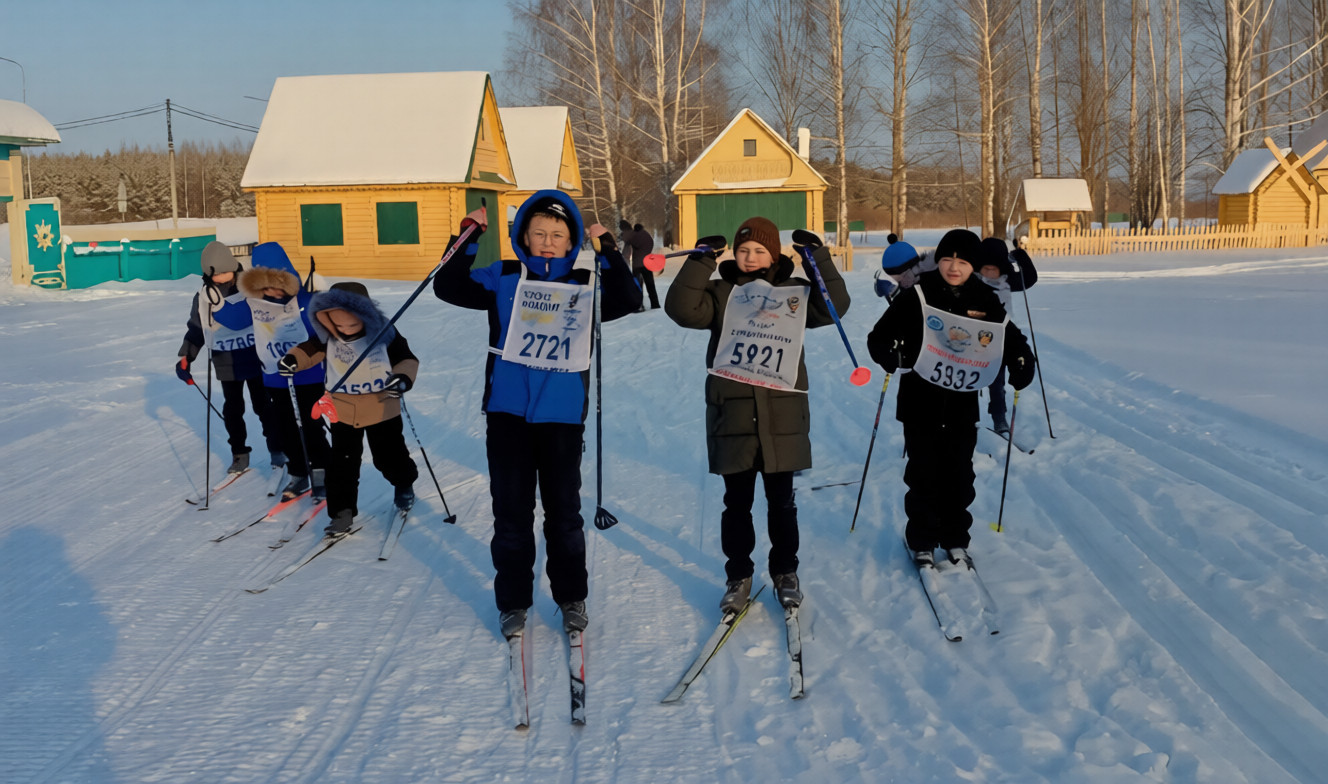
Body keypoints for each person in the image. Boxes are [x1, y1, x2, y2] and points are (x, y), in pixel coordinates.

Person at [433, 189, 641, 638]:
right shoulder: (503, 276)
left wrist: (607, 248)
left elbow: (627, 299)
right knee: (510, 513)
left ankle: (571, 598)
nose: (548, 242)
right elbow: (448, 286)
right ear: (523, 236)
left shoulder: (586, 285)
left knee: (564, 514)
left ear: (571, 243)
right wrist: (467, 235)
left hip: (562, 417)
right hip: (507, 413)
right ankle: (513, 601)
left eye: (559, 235)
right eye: (539, 233)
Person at [664, 217, 851, 614]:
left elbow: (835, 307)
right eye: (744, 250)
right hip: (732, 415)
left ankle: (785, 571)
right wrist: (700, 261)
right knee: (737, 503)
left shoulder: (795, 293)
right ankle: (739, 574)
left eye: (760, 251)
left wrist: (817, 258)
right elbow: (681, 310)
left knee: (782, 502)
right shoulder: (721, 293)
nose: (750, 258)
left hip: (781, 416)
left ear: (775, 254)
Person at [866, 229, 1035, 568]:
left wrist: (1021, 362)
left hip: (960, 406)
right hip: (920, 404)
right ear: (938, 261)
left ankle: (956, 538)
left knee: (959, 476)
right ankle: (923, 541)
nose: (953, 267)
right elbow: (879, 338)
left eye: (961, 261)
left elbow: (1009, 338)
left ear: (972, 265)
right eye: (946, 259)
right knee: (923, 475)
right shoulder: (917, 295)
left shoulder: (984, 299)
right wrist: (893, 354)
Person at [278, 282, 419, 537]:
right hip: (342, 408)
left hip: (381, 405)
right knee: (342, 464)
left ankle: (403, 482)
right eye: (339, 326)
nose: (345, 331)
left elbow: (406, 359)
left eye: (352, 326)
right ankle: (341, 512)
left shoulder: (385, 332)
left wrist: (403, 377)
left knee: (388, 455)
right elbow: (309, 350)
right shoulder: (327, 335)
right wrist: (293, 360)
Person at [176, 241, 282, 474]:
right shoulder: (204, 296)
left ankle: (278, 451)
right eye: (217, 274)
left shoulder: (250, 287)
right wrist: (187, 355)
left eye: (226, 272)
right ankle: (239, 453)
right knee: (233, 410)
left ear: (233, 268)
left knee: (264, 406)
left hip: (255, 357)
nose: (222, 278)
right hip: (226, 360)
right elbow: (197, 327)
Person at [237, 242, 330, 501]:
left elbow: (324, 337)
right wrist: (209, 302)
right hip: (274, 378)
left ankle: (322, 472)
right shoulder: (254, 305)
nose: (272, 293)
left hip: (307, 376)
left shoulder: (307, 301)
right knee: (285, 428)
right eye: (264, 287)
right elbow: (231, 321)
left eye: (277, 286)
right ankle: (298, 472)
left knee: (311, 427)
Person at [976, 237, 1040, 434]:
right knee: (971, 379)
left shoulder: (1007, 280)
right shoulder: (972, 282)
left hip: (1000, 336)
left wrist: (1020, 256)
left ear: (1003, 268)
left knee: (997, 382)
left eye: (994, 269)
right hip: (971, 337)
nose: (989, 273)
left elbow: (1029, 278)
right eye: (985, 268)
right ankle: (967, 416)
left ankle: (999, 416)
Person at [628, 222, 660, 310]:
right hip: (647, 263)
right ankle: (655, 304)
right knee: (650, 285)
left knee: (638, 286)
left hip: (637, 265)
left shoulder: (633, 236)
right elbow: (651, 244)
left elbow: (631, 242)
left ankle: (639, 305)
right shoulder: (647, 235)